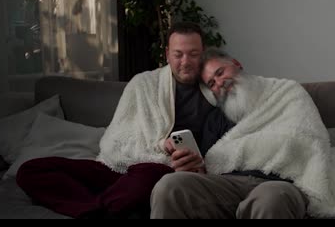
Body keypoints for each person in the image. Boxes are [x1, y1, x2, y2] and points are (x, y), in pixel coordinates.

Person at [16, 22, 227, 218]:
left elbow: (225, 147)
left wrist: (188, 165)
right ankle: (102, 208)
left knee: (147, 178)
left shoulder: (217, 91)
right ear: (167, 55)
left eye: (193, 54)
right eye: (178, 54)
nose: (185, 62)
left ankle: (106, 204)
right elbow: (115, 140)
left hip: (164, 172)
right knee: (31, 170)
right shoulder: (143, 83)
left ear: (203, 54)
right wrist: (162, 146)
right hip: (121, 166)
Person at [149, 48, 309, 219]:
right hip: (227, 185)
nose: (219, 82)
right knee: (169, 185)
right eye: (211, 83)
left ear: (236, 64)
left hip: (277, 183)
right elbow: (209, 166)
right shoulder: (215, 119)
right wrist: (193, 168)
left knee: (270, 198)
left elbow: (305, 140)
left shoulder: (284, 93)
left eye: (220, 72)